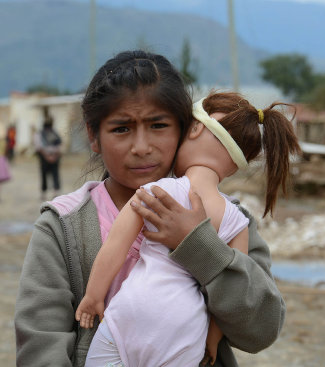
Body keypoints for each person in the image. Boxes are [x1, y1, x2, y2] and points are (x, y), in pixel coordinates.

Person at [14, 50, 286, 367]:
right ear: (93, 135)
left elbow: (261, 330)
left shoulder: (229, 221)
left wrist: (201, 247)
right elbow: (40, 345)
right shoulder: (63, 225)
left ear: (185, 128)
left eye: (158, 125)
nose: (142, 147)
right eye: (121, 129)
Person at [75, 91, 300, 366]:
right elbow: (235, 280)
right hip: (188, 332)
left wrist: (93, 296)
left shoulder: (158, 192)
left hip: (133, 313)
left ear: (194, 129)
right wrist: (212, 339)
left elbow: (115, 247)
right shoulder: (237, 220)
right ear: (237, 164)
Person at [34, 116, 63, 200]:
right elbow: (39, 147)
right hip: (45, 157)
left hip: (52, 156)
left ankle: (55, 192)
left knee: (55, 173)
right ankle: (45, 192)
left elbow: (59, 146)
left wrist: (53, 156)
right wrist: (49, 157)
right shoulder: (43, 134)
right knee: (45, 174)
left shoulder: (53, 133)